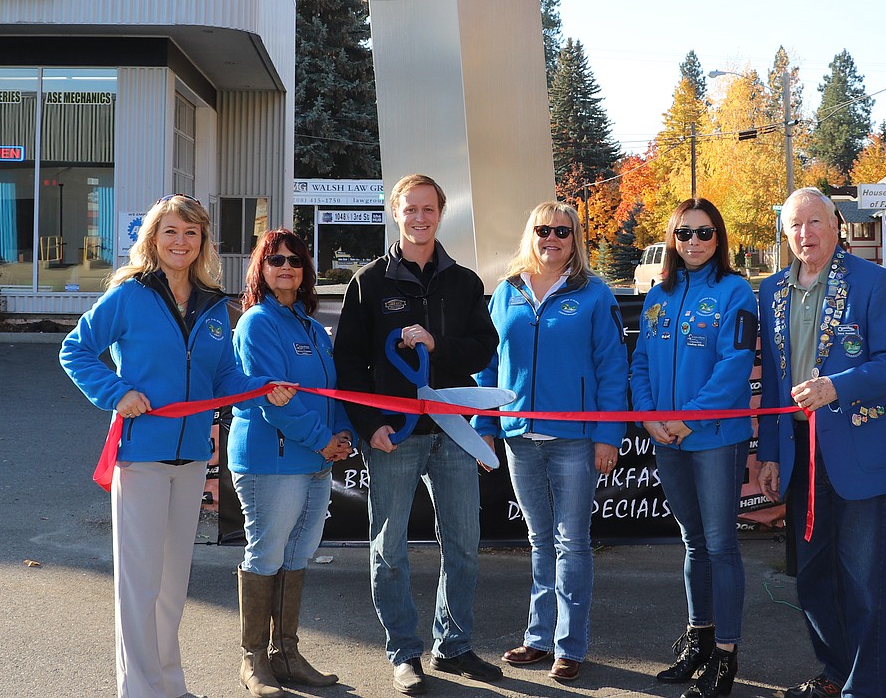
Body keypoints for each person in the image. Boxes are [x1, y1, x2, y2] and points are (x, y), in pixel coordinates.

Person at [60, 194, 293, 698]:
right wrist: (117, 393)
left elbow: (224, 374)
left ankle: (168, 684)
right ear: (153, 239)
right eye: (170, 232)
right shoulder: (128, 295)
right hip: (140, 455)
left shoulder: (213, 303)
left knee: (170, 584)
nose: (180, 242)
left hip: (191, 458)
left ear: (202, 241)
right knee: (139, 584)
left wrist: (262, 386)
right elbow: (75, 349)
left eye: (190, 233)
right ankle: (139, 689)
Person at [333, 174, 502, 696]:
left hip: (452, 431)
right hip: (395, 435)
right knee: (390, 548)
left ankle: (453, 647)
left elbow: (482, 347)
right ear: (395, 212)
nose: (420, 217)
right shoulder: (368, 282)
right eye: (411, 209)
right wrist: (368, 425)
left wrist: (437, 344)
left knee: (464, 543)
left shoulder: (466, 282)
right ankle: (404, 653)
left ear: (440, 212)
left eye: (429, 209)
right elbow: (348, 361)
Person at [757, 187, 886, 698]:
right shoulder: (772, 291)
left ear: (836, 225)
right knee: (812, 578)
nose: (806, 234)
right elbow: (777, 385)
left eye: (815, 222)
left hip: (858, 454)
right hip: (801, 454)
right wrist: (771, 454)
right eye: (795, 225)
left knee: (864, 585)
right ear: (785, 234)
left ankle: (864, 689)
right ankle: (835, 671)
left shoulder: (871, 281)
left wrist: (836, 386)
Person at [473, 202, 627, 683]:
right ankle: (538, 638)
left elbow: (612, 369)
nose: (553, 237)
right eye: (543, 229)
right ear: (531, 234)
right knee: (539, 540)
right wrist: (485, 427)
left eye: (563, 231)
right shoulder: (506, 292)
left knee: (572, 543)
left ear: (574, 238)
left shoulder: (594, 294)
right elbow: (488, 364)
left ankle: (569, 644)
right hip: (520, 438)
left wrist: (607, 435)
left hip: (575, 440)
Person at [630, 198, 758, 698]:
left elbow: (733, 369)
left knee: (721, 544)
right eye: (684, 234)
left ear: (719, 238)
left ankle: (725, 655)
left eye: (704, 234)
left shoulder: (736, 292)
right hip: (666, 438)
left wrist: (685, 420)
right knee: (693, 543)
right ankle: (698, 640)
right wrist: (649, 416)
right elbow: (639, 361)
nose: (694, 243)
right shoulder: (658, 295)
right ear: (672, 239)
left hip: (714, 440)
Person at [227, 229, 353, 695]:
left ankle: (286, 653)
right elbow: (269, 398)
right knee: (266, 553)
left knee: (298, 554)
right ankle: (254, 659)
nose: (286, 267)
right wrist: (323, 440)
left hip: (316, 458)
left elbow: (331, 389)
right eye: (275, 259)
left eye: (295, 260)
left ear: (305, 272)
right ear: (260, 268)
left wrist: (342, 435)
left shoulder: (310, 325)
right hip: (271, 461)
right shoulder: (256, 322)